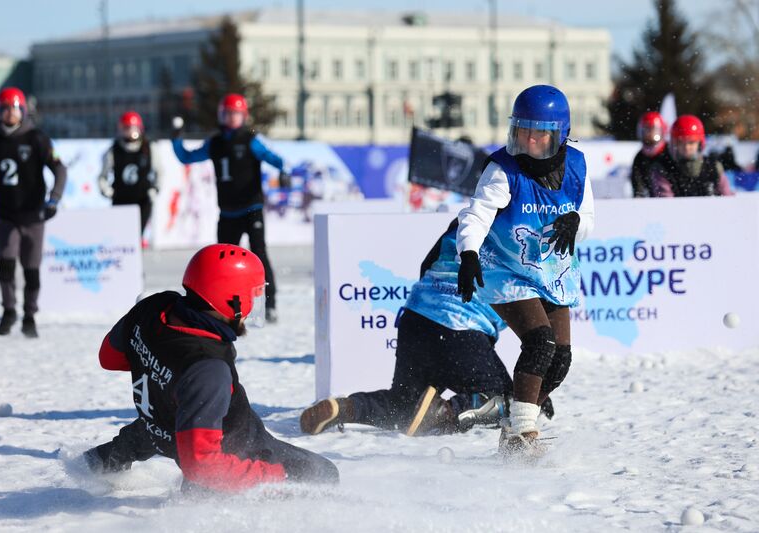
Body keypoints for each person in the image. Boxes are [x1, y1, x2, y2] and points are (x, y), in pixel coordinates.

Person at [82, 244, 338, 493]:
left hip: (158, 428)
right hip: (229, 447)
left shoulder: (153, 306)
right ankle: (198, 500)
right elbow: (201, 465)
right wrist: (272, 477)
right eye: (252, 295)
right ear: (232, 300)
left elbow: (109, 357)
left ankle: (89, 465)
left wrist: (162, 370)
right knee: (325, 474)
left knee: (154, 433)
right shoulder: (207, 367)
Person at [300, 218, 547, 438]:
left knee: (405, 404)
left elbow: (426, 264)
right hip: (461, 328)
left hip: (417, 317)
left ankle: (346, 408)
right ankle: (447, 412)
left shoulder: (466, 221)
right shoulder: (530, 235)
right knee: (514, 400)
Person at [455, 85, 594, 456]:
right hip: (504, 268)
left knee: (560, 360)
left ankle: (514, 418)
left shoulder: (578, 165)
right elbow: (478, 213)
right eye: (523, 130)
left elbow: (590, 217)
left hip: (550, 272)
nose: (529, 139)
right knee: (539, 342)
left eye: (540, 132)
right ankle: (521, 433)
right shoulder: (504, 170)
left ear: (560, 134)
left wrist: (575, 222)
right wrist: (468, 251)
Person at [171, 94, 290, 324]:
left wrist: (283, 170)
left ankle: (270, 303)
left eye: (235, 114)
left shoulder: (249, 140)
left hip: (251, 208)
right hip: (227, 212)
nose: (231, 118)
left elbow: (273, 158)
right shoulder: (215, 143)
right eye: (227, 113)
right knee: (221, 265)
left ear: (243, 116)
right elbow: (187, 156)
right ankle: (222, 306)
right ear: (220, 115)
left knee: (259, 254)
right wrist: (176, 138)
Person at [0, 87, 67, 338]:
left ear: (23, 110)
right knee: (6, 264)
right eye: (4, 108)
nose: (9, 114)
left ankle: (30, 315)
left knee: (31, 268)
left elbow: (60, 169)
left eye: (14, 108)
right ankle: (8, 311)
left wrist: (54, 199)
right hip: (5, 214)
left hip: (33, 214)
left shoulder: (37, 138)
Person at [98, 111, 161, 240]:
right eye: (125, 128)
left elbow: (159, 171)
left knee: (136, 236)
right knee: (121, 237)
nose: (129, 132)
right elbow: (102, 177)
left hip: (142, 200)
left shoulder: (149, 148)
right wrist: (108, 191)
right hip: (121, 200)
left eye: (132, 128)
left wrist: (155, 189)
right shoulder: (113, 151)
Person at [651, 115, 734, 197]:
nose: (686, 147)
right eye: (681, 142)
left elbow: (727, 198)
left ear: (700, 143)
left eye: (691, 142)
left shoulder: (713, 167)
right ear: (674, 144)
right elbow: (665, 203)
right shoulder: (663, 168)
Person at [630, 111, 670, 198]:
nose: (649, 134)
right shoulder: (639, 158)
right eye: (646, 130)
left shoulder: (669, 153)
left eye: (653, 130)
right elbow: (638, 188)